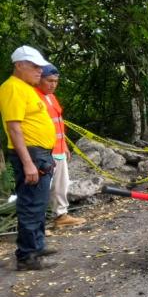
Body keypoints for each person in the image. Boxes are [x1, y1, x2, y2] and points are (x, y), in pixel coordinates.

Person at [0, 46, 57, 270]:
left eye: (39, 66)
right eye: (34, 66)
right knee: (31, 204)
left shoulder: (26, 88)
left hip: (40, 153)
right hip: (30, 154)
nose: (39, 70)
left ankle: (37, 244)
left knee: (39, 203)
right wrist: (28, 162)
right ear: (18, 65)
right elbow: (14, 128)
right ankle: (27, 256)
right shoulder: (12, 88)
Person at [35, 65, 86, 229]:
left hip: (58, 149)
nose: (53, 84)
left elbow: (58, 122)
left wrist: (64, 144)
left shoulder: (51, 97)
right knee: (42, 188)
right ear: (39, 79)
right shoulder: (34, 97)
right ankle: (38, 225)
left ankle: (61, 215)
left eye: (56, 81)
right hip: (43, 151)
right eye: (49, 80)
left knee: (61, 184)